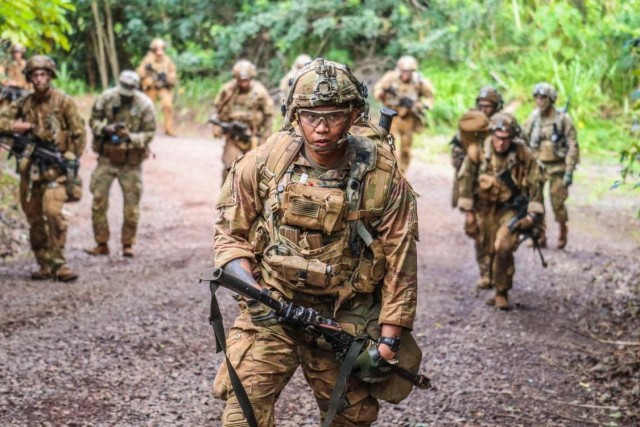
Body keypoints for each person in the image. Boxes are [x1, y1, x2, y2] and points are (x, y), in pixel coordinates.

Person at [212, 58, 421, 426]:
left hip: (344, 317)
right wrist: (256, 294)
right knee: (241, 416)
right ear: (295, 115)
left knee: (352, 420)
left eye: (334, 116)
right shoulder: (264, 163)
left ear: (354, 114)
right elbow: (230, 235)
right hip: (273, 311)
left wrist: (388, 342)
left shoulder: (382, 176)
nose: (322, 128)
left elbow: (399, 264)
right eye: (310, 116)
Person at [0, 55, 86, 281]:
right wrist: (26, 126)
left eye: (43, 74)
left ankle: (59, 264)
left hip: (55, 170)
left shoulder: (63, 102)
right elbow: (1, 121)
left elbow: (79, 133)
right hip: (30, 171)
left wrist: (70, 156)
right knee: (35, 218)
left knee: (53, 214)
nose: (39, 79)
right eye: (35, 75)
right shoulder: (24, 103)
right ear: (29, 78)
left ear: (50, 76)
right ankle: (43, 262)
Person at [457, 113, 544, 309]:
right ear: (491, 134)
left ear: (512, 138)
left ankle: (501, 291)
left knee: (503, 246)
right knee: (486, 246)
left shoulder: (522, 154)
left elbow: (536, 181)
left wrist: (533, 214)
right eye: (497, 137)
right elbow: (465, 180)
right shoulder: (478, 151)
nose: (500, 143)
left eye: (505, 139)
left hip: (510, 209)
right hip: (484, 209)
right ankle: (489, 276)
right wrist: (469, 214)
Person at [84, 70, 156, 258]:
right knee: (99, 200)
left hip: (131, 162)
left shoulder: (145, 105)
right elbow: (93, 121)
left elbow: (149, 133)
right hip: (106, 158)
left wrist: (129, 137)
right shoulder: (106, 98)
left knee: (131, 205)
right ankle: (101, 242)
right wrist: (105, 128)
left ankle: (127, 243)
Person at [522, 82, 579, 249]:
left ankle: (562, 229)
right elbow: (523, 139)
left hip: (557, 168)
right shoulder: (533, 118)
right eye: (537, 98)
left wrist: (569, 171)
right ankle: (539, 235)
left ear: (551, 99)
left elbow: (572, 145)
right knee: (535, 203)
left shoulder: (563, 119)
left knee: (557, 203)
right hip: (537, 167)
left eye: (543, 98)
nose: (539, 101)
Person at [210, 59, 274, 183]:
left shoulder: (260, 92)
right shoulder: (228, 90)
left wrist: (266, 137)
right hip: (233, 136)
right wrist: (216, 128)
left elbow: (269, 115)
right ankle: (227, 198)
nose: (243, 83)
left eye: (246, 79)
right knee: (229, 166)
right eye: (240, 80)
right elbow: (217, 109)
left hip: (252, 137)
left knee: (255, 169)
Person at [373, 55, 434, 173]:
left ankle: (402, 172)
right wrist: (381, 94)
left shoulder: (419, 81)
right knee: (390, 146)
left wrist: (421, 105)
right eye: (404, 71)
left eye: (409, 72)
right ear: (400, 70)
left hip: (409, 118)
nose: (406, 74)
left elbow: (429, 98)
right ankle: (391, 170)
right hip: (392, 117)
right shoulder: (391, 78)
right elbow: (378, 89)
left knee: (406, 148)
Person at [136, 38, 177, 136]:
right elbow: (139, 73)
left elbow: (173, 73)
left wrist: (167, 79)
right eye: (157, 49)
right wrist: (146, 72)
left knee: (167, 106)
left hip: (164, 87)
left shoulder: (167, 61)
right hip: (151, 87)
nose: (159, 52)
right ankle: (146, 128)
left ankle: (169, 129)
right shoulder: (147, 60)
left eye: (161, 48)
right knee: (148, 108)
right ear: (153, 50)